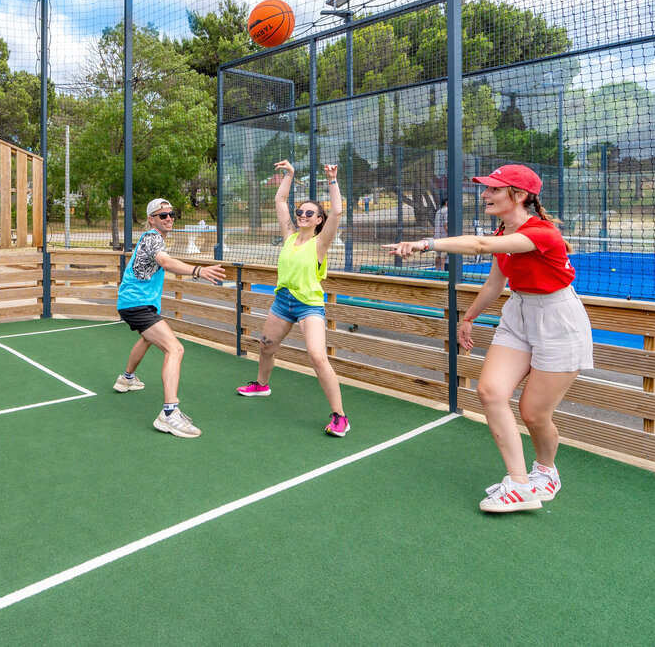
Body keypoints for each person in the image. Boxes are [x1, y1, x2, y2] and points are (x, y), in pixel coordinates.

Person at [385, 164, 593, 513]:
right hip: (518, 313)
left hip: (558, 319)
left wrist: (424, 244)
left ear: (520, 195)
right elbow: (497, 282)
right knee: (490, 391)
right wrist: (468, 317)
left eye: (495, 189)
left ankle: (546, 470)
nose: (485, 194)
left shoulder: (541, 233)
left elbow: (479, 244)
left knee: (533, 413)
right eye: (486, 188)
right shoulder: (503, 230)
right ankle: (520, 484)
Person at [237, 161, 350, 437]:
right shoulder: (289, 237)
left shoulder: (320, 243)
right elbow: (280, 199)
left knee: (317, 356)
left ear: (318, 219)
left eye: (309, 212)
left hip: (309, 305)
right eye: (300, 211)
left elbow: (336, 210)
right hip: (282, 302)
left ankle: (340, 417)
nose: (302, 215)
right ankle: (262, 385)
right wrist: (290, 174)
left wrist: (332, 179)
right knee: (265, 347)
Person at [115, 198, 226, 438]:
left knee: (147, 339)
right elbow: (165, 262)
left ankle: (126, 379)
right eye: (162, 215)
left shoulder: (154, 239)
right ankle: (169, 415)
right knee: (175, 349)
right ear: (151, 219)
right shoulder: (153, 237)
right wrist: (199, 270)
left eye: (171, 214)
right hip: (137, 305)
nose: (168, 218)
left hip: (136, 304)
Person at [433, 198, 449, 271]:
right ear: (446, 202)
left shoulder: (438, 211)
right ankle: (442, 271)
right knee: (443, 256)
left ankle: (436, 270)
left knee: (438, 255)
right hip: (443, 237)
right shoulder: (447, 210)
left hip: (436, 236)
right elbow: (445, 225)